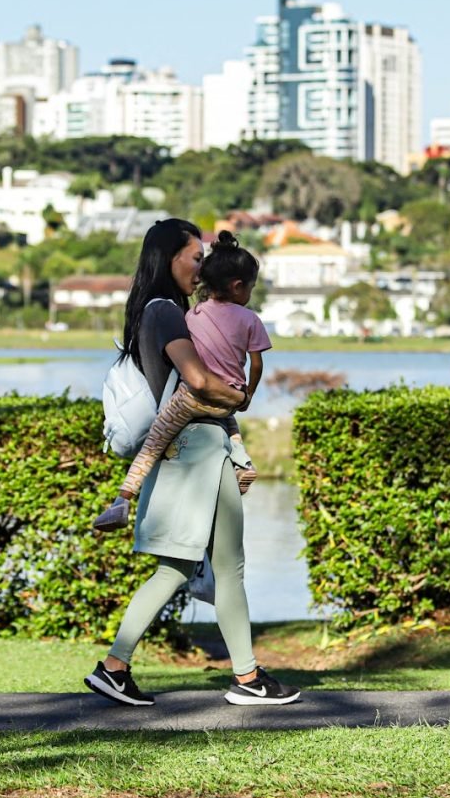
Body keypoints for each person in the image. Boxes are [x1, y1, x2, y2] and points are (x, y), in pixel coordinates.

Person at [84, 218, 299, 707]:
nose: (201, 267)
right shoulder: (164, 312)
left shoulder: (176, 311)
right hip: (199, 448)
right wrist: (238, 397)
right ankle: (243, 679)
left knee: (185, 567)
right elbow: (199, 380)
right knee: (221, 566)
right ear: (169, 259)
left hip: (193, 448)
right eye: (194, 257)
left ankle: (118, 669)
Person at [93, 231, 267, 533]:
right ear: (239, 286)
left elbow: (196, 378)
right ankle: (244, 464)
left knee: (154, 442)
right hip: (227, 399)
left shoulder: (190, 315)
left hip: (191, 401)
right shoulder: (249, 319)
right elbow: (257, 363)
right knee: (231, 427)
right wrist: (245, 395)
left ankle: (122, 500)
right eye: (195, 258)